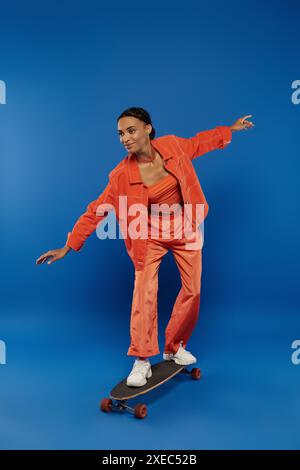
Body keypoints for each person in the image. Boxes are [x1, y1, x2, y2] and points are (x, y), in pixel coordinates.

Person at [36, 107, 254, 387]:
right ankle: (141, 360)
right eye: (120, 134)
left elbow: (201, 142)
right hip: (148, 233)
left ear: (148, 129)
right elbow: (96, 210)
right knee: (144, 291)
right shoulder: (120, 175)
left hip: (184, 226)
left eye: (130, 130)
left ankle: (174, 347)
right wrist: (69, 245)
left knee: (193, 290)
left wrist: (230, 130)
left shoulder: (173, 145)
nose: (124, 138)